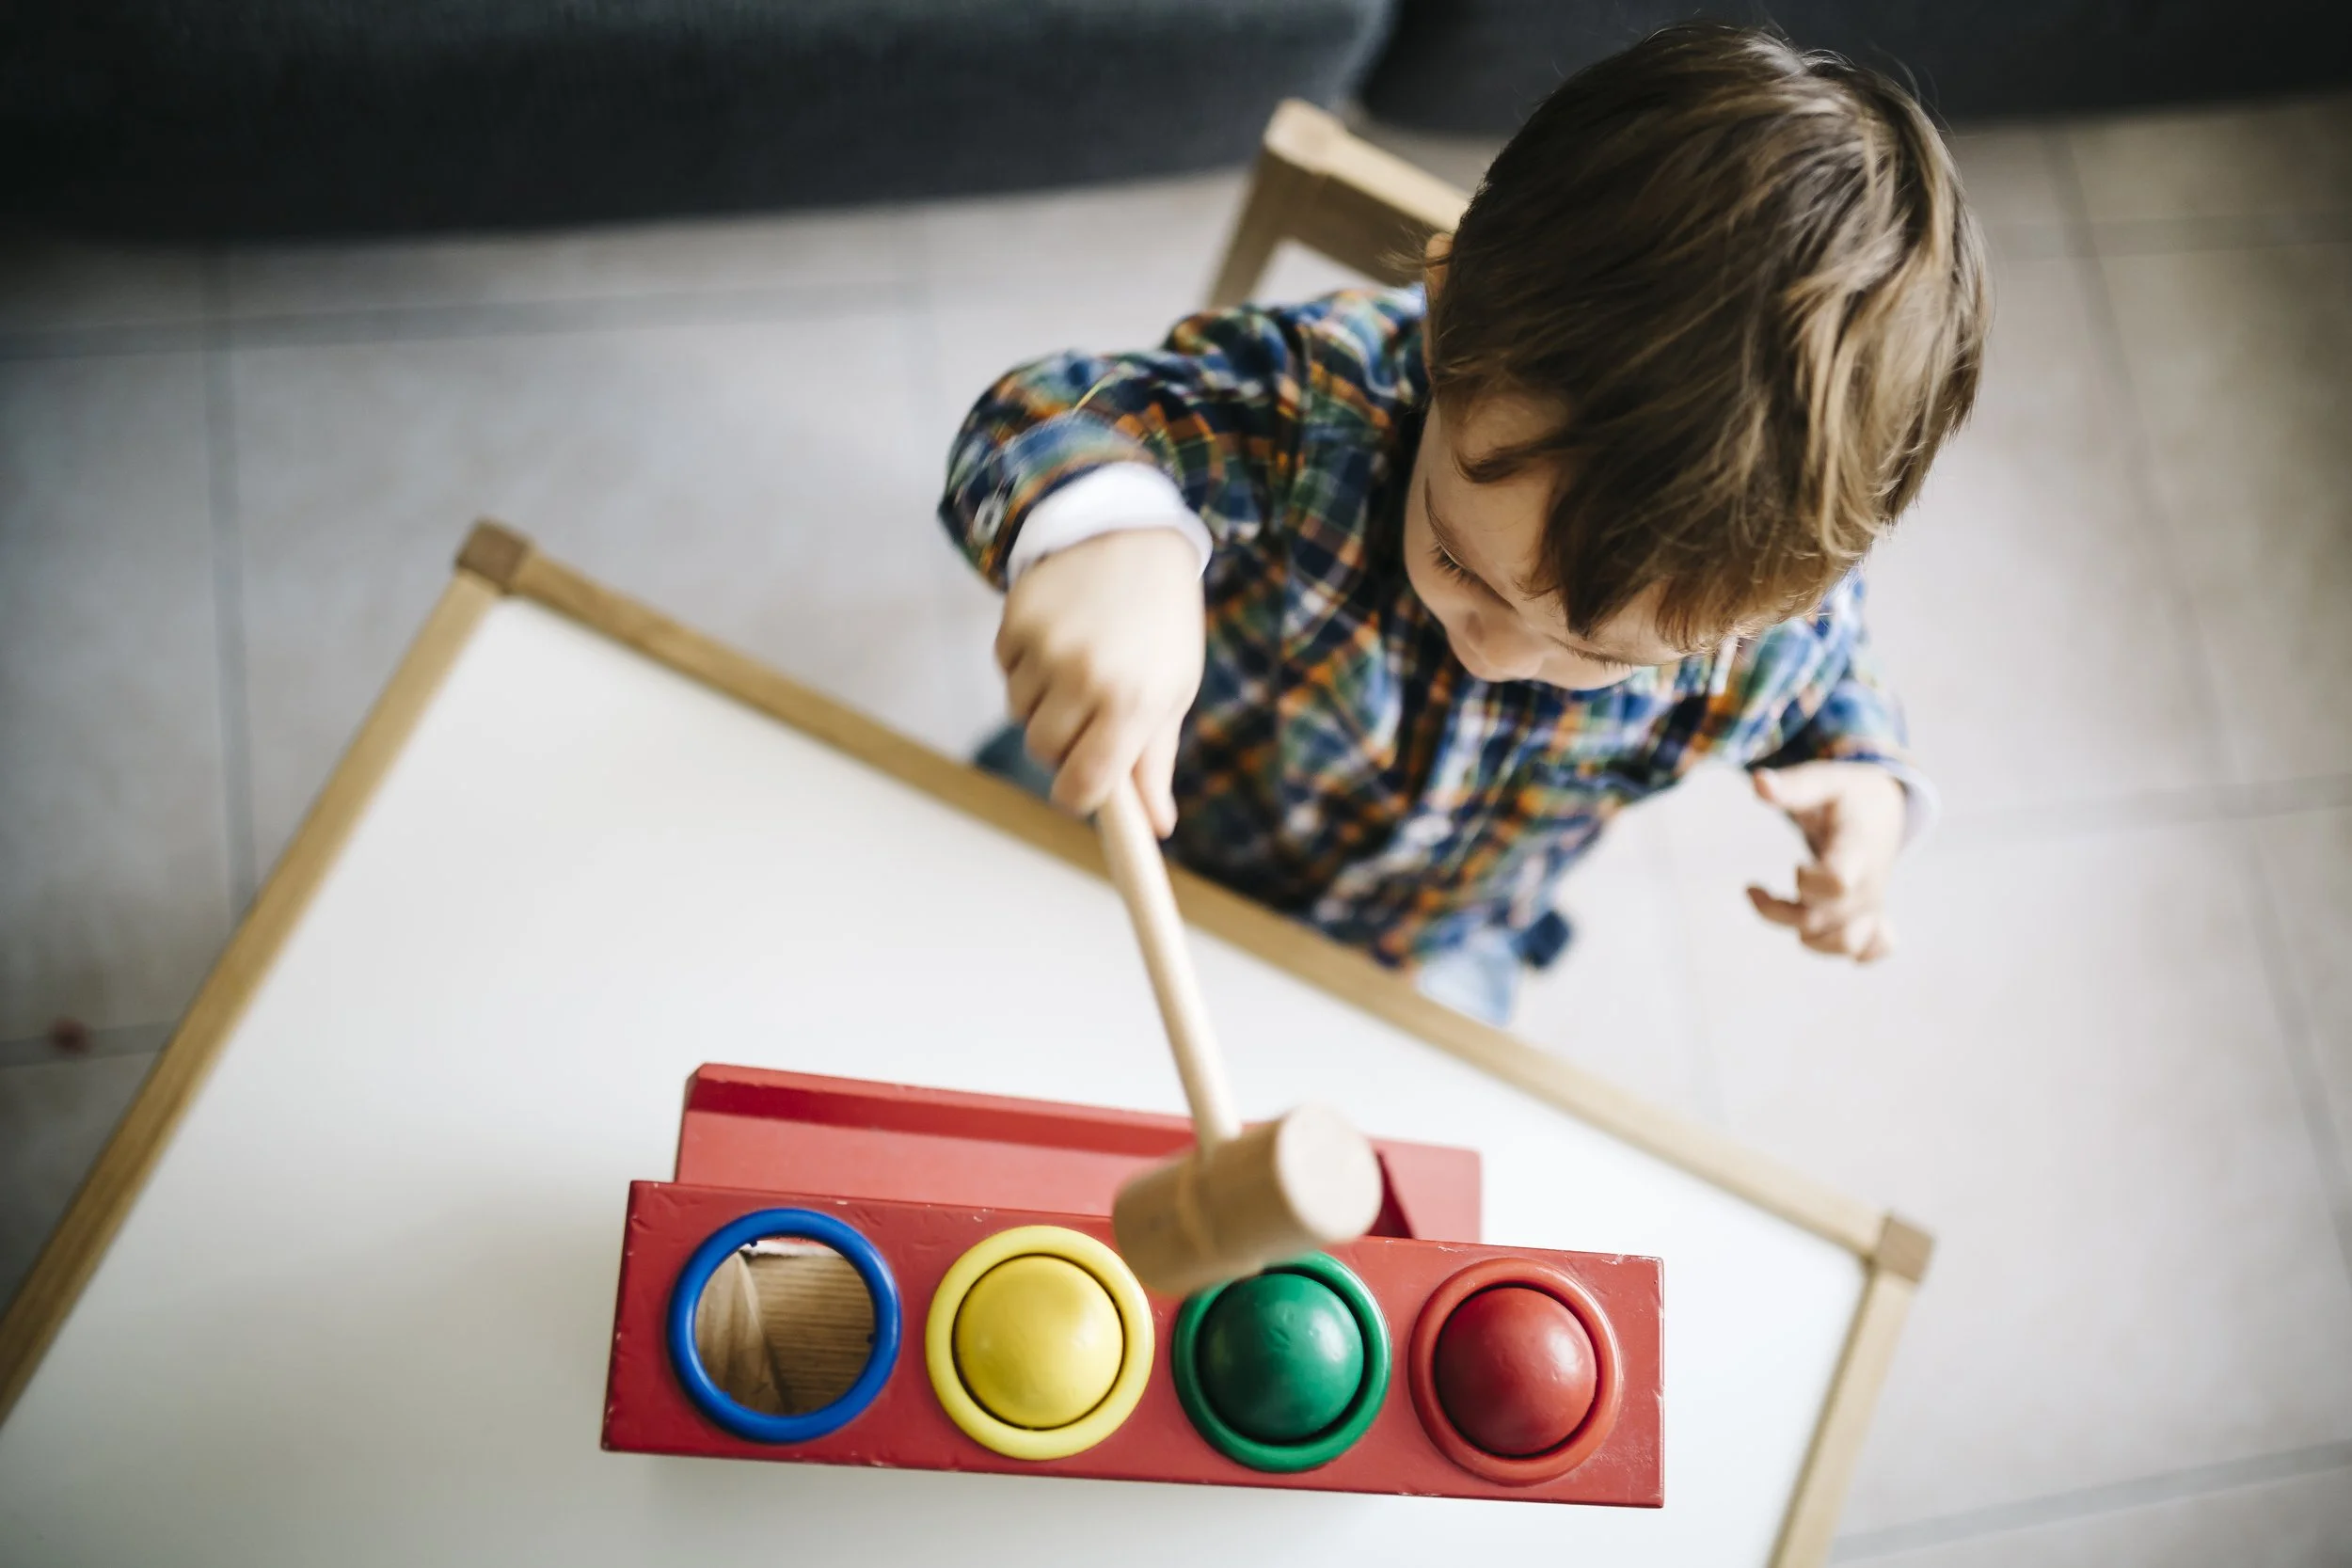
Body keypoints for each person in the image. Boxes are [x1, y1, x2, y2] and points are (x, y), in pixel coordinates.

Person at [940, 23, 1988, 1026]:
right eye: (1459, 560)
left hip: (1425, 938)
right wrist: (1118, 535)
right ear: (1444, 314)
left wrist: (1867, 784)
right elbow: (1036, 421)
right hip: (1139, 796)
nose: (1495, 653)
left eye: (1593, 653)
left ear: (1769, 609)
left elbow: (1827, 685)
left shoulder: (1755, 623)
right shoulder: (1326, 403)